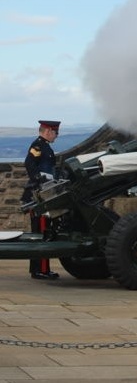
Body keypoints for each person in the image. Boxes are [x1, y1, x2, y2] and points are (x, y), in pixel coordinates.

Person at [21, 120, 61, 280]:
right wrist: (40, 181)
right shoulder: (38, 145)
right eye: (55, 133)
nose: (56, 136)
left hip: (44, 193)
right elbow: (29, 164)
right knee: (41, 231)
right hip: (38, 195)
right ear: (48, 131)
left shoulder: (45, 146)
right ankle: (39, 270)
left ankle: (43, 269)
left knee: (45, 231)